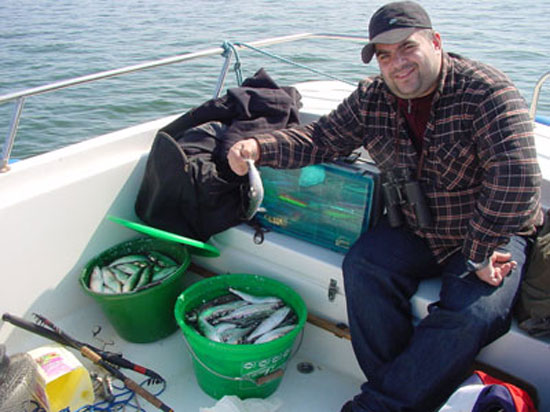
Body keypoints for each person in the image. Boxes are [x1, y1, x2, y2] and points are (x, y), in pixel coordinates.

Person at [227, 1, 543, 411]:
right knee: (363, 266)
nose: (398, 64)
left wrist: (480, 250)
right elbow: (320, 139)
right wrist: (259, 146)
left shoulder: (487, 92)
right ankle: (408, 394)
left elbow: (517, 182)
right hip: (420, 226)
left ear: (436, 43)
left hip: (489, 232)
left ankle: (377, 406)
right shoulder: (372, 98)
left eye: (407, 47)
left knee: (474, 314)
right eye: (385, 55)